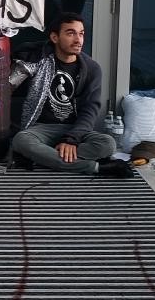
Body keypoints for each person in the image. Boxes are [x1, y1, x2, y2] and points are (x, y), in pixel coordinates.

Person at [10, 12, 133, 178]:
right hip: (40, 129)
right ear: (54, 37)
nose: (78, 40)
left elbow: (90, 109)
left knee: (108, 144)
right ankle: (96, 168)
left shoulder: (92, 69)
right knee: (21, 140)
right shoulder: (39, 60)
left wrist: (71, 140)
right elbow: (8, 87)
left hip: (74, 129)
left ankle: (44, 157)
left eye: (81, 33)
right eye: (70, 33)